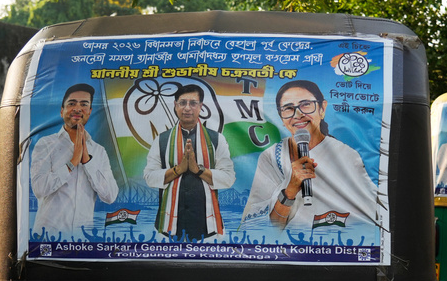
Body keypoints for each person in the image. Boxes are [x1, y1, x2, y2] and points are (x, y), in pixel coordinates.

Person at [240, 80, 379, 231]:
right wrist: (291, 189)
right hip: (287, 249)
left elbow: (367, 216)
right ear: (281, 117)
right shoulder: (272, 157)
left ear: (322, 108)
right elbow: (257, 228)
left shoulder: (345, 155)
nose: (298, 114)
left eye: (306, 104)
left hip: (332, 245)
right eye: (288, 108)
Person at [143, 84, 235, 239]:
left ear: (200, 107)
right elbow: (149, 177)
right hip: (168, 228)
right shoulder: (162, 140)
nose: (187, 108)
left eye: (193, 103)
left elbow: (228, 178)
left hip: (206, 227)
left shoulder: (216, 139)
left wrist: (197, 169)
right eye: (182, 103)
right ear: (175, 105)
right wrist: (179, 169)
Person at [30, 83, 119, 239]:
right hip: (48, 238)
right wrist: (71, 163)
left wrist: (87, 161)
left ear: (90, 111)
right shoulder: (45, 144)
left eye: (84, 104)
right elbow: (39, 189)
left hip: (83, 240)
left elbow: (110, 196)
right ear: (62, 110)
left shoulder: (99, 151)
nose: (78, 108)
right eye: (72, 103)